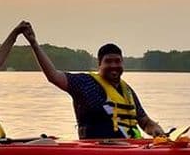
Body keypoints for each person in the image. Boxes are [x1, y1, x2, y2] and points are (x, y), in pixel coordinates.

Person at [23, 24, 167, 139]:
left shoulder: (127, 91)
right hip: (99, 151)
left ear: (123, 63)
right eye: (108, 62)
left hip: (133, 149)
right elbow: (53, 76)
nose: (113, 66)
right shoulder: (85, 83)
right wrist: (34, 44)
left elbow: (145, 121)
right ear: (100, 64)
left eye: (117, 61)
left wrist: (156, 129)